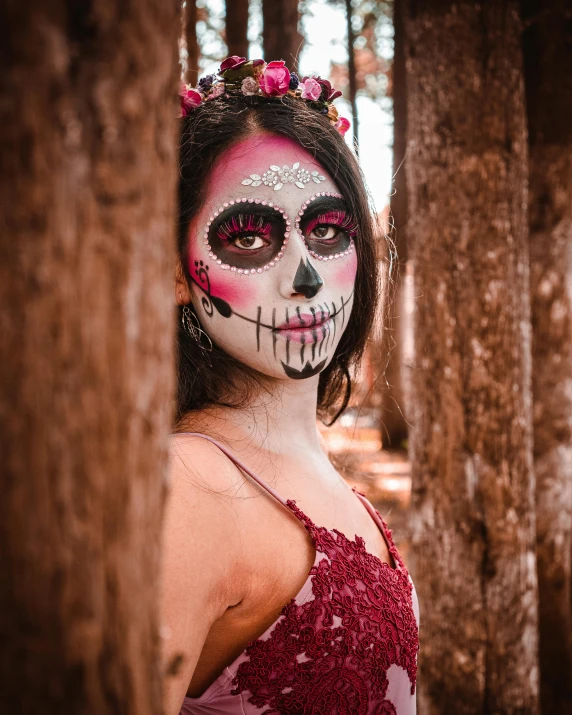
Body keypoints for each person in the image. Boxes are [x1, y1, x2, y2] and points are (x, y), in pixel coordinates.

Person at [162, 56, 419, 715]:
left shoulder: (336, 485)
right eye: (248, 236)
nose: (305, 275)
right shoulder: (187, 484)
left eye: (328, 229)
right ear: (176, 271)